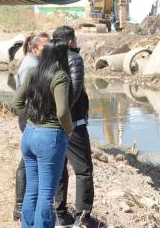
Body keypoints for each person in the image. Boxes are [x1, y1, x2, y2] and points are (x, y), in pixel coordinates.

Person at [14, 39, 73, 228]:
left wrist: (33, 119)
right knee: (46, 194)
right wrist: (69, 131)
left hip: (29, 135)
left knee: (32, 189)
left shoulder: (33, 72)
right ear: (62, 55)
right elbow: (62, 112)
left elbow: (17, 104)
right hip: (50, 138)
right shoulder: (61, 77)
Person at [52, 26, 96, 227]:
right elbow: (75, 91)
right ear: (71, 41)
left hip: (53, 122)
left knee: (60, 168)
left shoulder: (49, 57)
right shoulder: (74, 58)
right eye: (75, 39)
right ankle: (83, 217)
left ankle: (60, 214)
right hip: (73, 123)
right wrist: (66, 119)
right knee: (83, 170)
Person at [14, 32, 51, 221]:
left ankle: (25, 204)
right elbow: (21, 100)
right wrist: (32, 116)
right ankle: (20, 205)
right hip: (29, 117)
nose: (49, 48)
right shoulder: (30, 65)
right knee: (28, 160)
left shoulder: (36, 63)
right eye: (46, 46)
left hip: (32, 116)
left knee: (31, 160)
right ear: (34, 48)